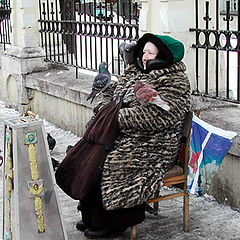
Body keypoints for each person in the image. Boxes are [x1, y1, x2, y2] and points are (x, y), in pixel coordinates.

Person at [57, 33, 191, 239]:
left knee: (113, 161)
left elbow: (161, 117)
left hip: (155, 144)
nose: (145, 57)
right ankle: (92, 216)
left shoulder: (174, 80)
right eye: (144, 52)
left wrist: (117, 118)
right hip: (125, 134)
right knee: (91, 154)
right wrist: (105, 106)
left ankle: (113, 222)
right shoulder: (134, 72)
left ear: (163, 55)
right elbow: (115, 93)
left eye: (150, 53)